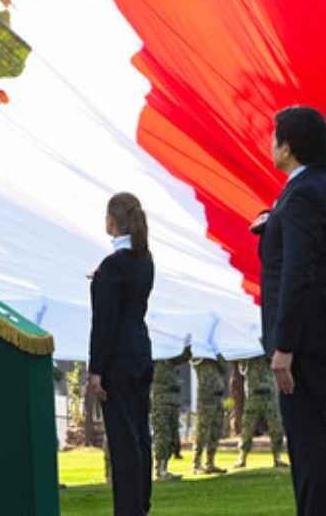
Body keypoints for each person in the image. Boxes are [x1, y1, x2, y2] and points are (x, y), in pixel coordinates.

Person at [257, 106, 326, 516]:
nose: (271, 144)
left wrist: (285, 343)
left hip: (303, 335)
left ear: (288, 146)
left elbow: (298, 271)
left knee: (308, 443)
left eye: (275, 137)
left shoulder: (300, 194)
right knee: (325, 438)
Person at [86, 192, 154, 516]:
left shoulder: (112, 267)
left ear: (112, 221)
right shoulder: (144, 260)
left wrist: (95, 369)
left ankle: (127, 509)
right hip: (140, 350)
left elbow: (104, 323)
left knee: (124, 443)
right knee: (140, 436)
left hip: (118, 359)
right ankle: (140, 505)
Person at [234, 355, 286, 468]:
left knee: (276, 428)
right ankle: (242, 457)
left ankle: (277, 458)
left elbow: (276, 360)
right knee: (247, 428)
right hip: (253, 395)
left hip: (269, 395)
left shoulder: (269, 349)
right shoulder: (248, 352)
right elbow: (241, 368)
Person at [150, 349, 188, 482]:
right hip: (161, 402)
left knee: (171, 436)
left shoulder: (170, 358)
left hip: (173, 401)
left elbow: (184, 357)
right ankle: (159, 470)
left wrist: (187, 345)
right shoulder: (155, 358)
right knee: (162, 435)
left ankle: (165, 469)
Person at [192, 355, 228, 475]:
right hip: (205, 397)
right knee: (202, 430)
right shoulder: (198, 353)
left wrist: (216, 354)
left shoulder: (215, 354)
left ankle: (210, 462)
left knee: (216, 430)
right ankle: (197, 464)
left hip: (218, 396)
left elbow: (225, 367)